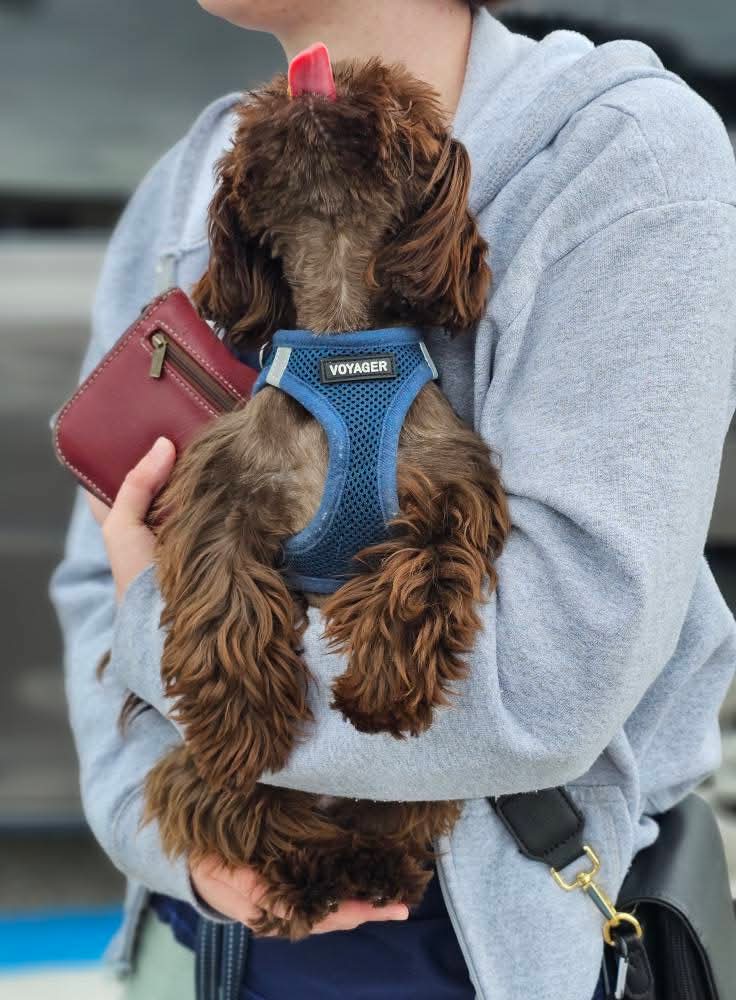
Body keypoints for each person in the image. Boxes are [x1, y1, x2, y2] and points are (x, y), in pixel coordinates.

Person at [49, 1, 736, 999]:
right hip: (201, 934)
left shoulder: (621, 155)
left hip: (474, 943)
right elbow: (93, 574)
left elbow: (552, 676)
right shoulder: (190, 182)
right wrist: (176, 851)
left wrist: (162, 629)